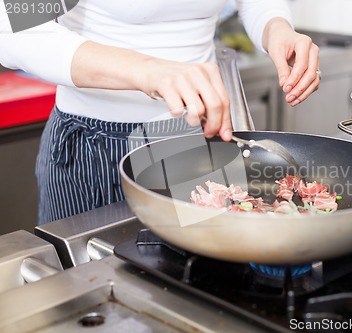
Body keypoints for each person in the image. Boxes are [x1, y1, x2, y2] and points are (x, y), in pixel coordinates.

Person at [0, 0, 320, 225]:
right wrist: (148, 70)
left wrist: (277, 28)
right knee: (82, 293)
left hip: (197, 137)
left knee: (196, 290)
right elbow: (15, 31)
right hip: (91, 144)